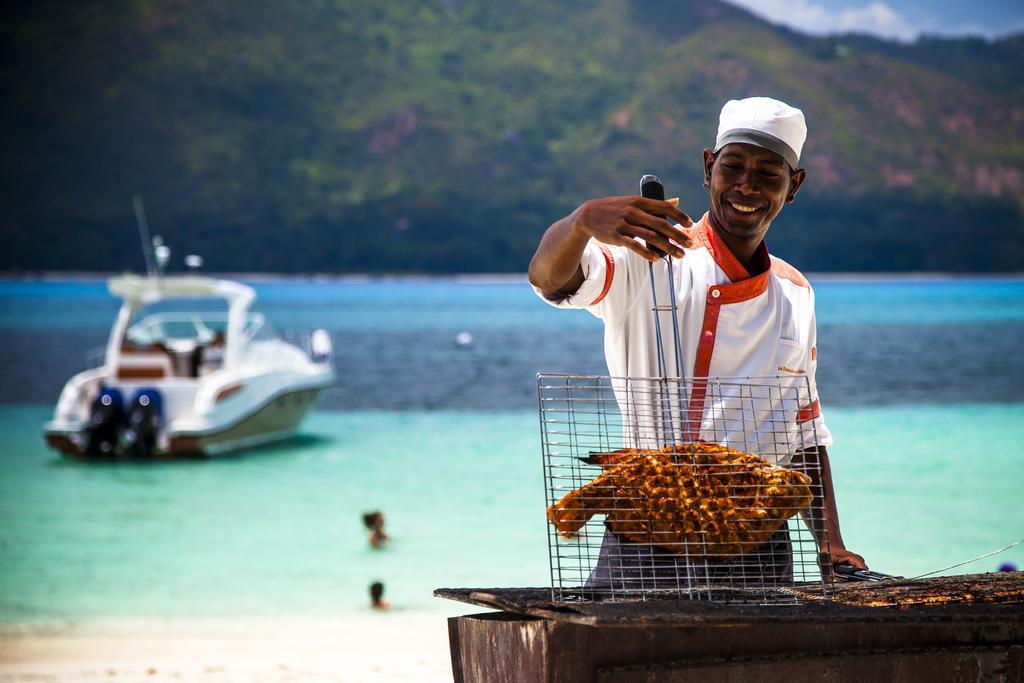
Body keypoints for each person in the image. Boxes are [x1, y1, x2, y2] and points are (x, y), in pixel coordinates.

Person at [528, 96, 867, 588]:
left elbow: (805, 436)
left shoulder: (794, 294)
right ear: (709, 169)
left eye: (769, 174)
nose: (747, 186)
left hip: (759, 544)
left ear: (793, 187)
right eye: (734, 167)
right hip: (646, 532)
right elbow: (548, 280)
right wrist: (580, 223)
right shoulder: (645, 257)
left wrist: (829, 544)